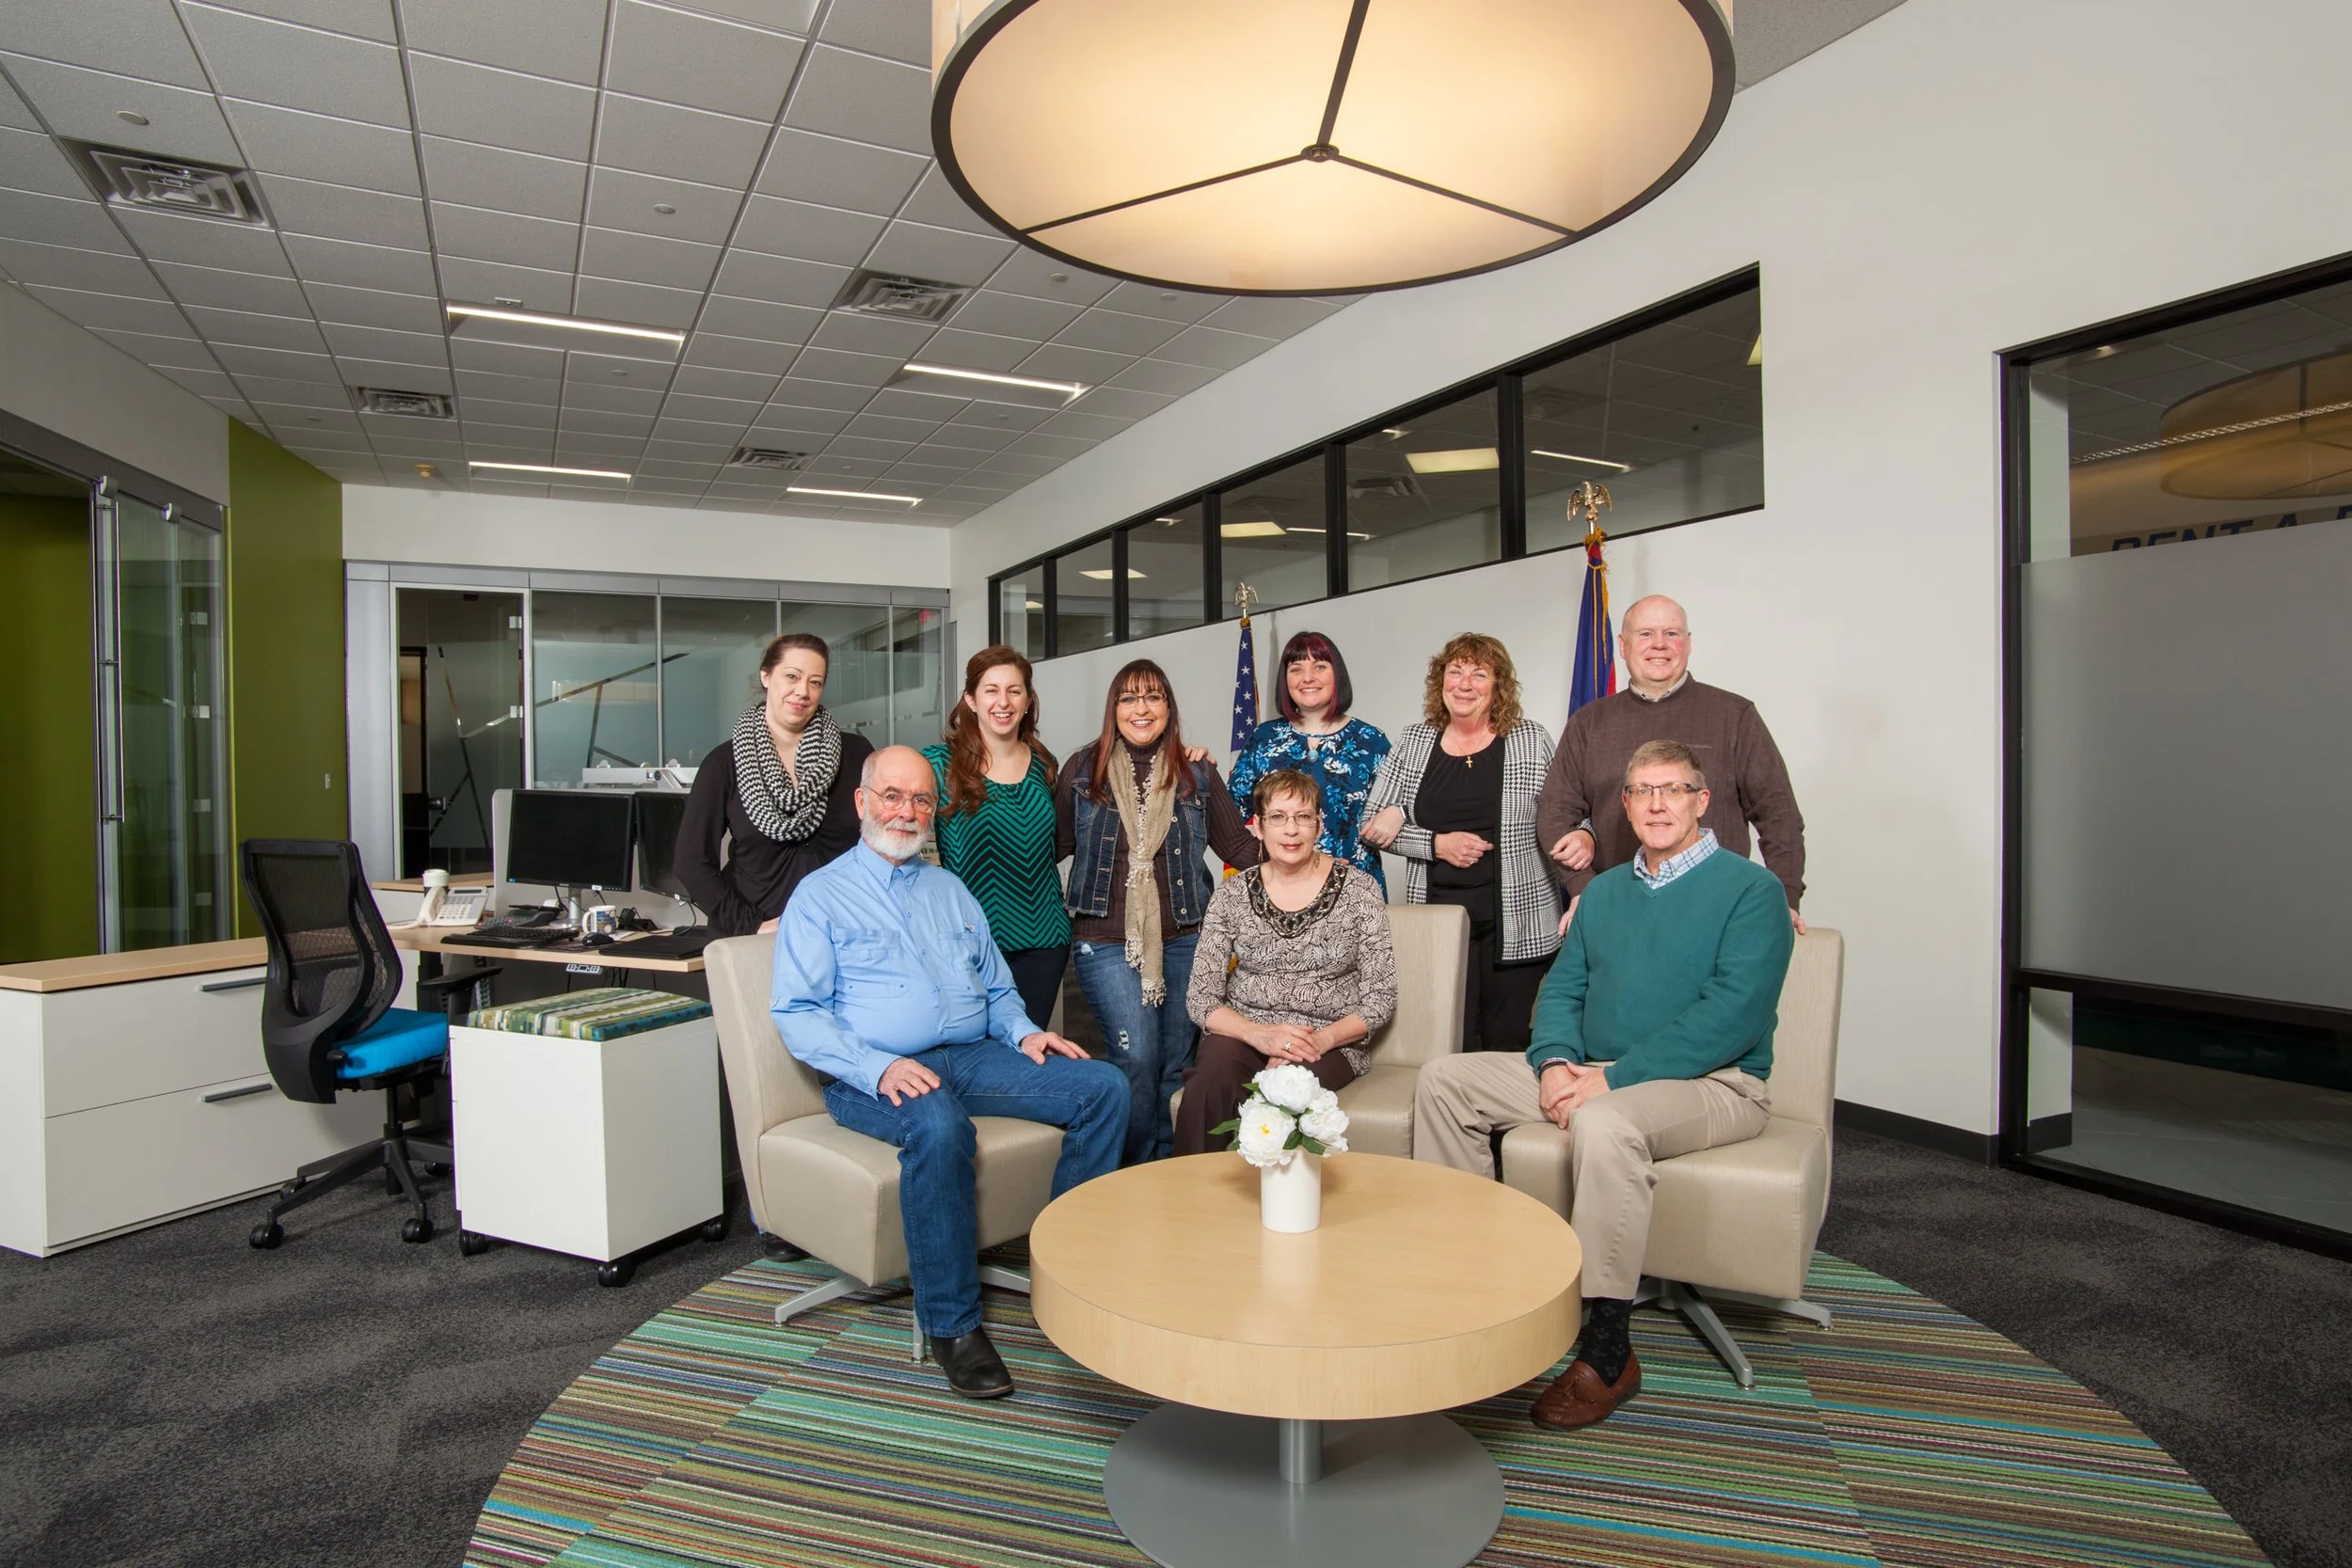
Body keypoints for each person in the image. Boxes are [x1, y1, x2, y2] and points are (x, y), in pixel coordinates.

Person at [1414, 739, 1794, 1431]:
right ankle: (1467, 1287)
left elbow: (1731, 1015)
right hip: (1593, 1067)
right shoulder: (1606, 890)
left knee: (1605, 1122)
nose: (1656, 804)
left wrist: (1612, 1080)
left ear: (1701, 801)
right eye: (1642, 790)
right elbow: (1564, 986)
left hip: (1714, 1082)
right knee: (1446, 1079)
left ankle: (1607, 1349)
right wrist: (1557, 1061)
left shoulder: (1751, 890)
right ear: (1624, 804)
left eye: (1673, 789)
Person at [770, 745, 1129, 1400]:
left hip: (973, 1055)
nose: (906, 811)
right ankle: (953, 1326)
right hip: (874, 1072)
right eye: (892, 796)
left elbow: (995, 988)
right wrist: (877, 1067)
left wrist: (1026, 1032)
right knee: (938, 1125)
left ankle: (1069, 1276)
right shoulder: (820, 896)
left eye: (921, 799)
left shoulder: (950, 889)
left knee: (1103, 1088)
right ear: (862, 802)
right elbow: (797, 1012)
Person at [1056, 658, 1260, 1164]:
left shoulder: (1198, 772)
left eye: (1153, 697)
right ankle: (1129, 1170)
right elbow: (1048, 848)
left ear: (1169, 707)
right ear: (1114, 708)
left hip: (1189, 938)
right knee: (1136, 1057)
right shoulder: (1082, 770)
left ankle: (1168, 1172)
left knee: (1175, 1062)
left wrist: (1311, 859)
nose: (1141, 709)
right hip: (1105, 939)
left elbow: (1240, 850)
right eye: (1128, 698)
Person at [1536, 594, 1806, 933]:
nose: (1659, 645)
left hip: (1716, 911)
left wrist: (1783, 897)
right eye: (1645, 634)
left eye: (1672, 634)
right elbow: (1554, 812)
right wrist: (1583, 886)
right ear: (1623, 645)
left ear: (1688, 644)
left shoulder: (1734, 716)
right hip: (1618, 912)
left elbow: (1778, 814)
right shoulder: (1589, 723)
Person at [1174, 769, 1398, 1155]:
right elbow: (1201, 1000)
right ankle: (1193, 1202)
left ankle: (1279, 1211)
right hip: (1246, 1033)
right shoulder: (1231, 894)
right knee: (1209, 1081)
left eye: (1303, 817)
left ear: (1319, 825)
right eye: (1277, 817)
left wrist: (1317, 1041)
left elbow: (1380, 998)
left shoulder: (1360, 889)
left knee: (1284, 1099)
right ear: (1258, 827)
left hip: (1325, 1043)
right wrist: (1260, 1036)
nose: (1290, 830)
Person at [1359, 633, 1561, 1053]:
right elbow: (1370, 824)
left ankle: (1508, 1121)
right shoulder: (1414, 741)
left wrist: (1584, 839)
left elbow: (1565, 813)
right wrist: (1436, 844)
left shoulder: (1529, 738)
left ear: (1498, 685)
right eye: (1455, 672)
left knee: (1507, 1044)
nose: (1464, 684)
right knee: (1451, 1043)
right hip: (1440, 923)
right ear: (1441, 682)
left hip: (1517, 923)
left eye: (1479, 674)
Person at [676, 632, 872, 936]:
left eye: (815, 682)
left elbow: (879, 841)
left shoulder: (857, 754)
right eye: (791, 676)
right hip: (755, 938)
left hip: (843, 932)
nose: (802, 691)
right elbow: (692, 863)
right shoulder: (724, 763)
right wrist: (752, 925)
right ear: (766, 676)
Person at [923, 645, 1070, 1029]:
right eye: (991, 690)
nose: (1002, 702)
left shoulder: (1044, 763)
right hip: (970, 940)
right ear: (971, 699)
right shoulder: (938, 764)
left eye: (1014, 691)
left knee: (1026, 1051)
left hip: (1045, 938)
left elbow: (1055, 845)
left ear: (1027, 701)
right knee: (978, 1054)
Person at [1228, 631, 1393, 889]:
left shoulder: (1371, 741)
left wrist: (1399, 813)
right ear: (1285, 680)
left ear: (1336, 674)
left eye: (1319, 666)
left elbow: (1404, 814)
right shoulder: (1264, 739)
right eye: (1296, 669)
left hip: (1354, 892)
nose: (1307, 678)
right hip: (1280, 891)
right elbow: (1229, 821)